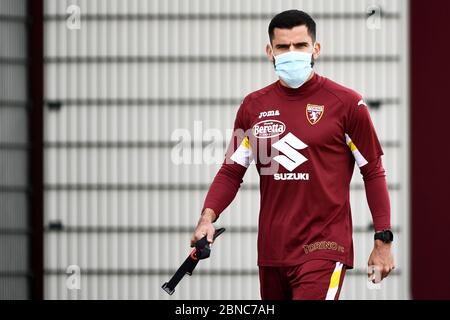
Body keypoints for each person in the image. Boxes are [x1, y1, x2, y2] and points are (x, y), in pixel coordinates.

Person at [190, 9, 395, 300]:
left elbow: (373, 171)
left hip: (324, 248)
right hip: (272, 253)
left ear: (316, 49)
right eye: (283, 47)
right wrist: (207, 218)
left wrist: (383, 239)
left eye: (300, 45)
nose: (292, 52)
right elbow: (231, 171)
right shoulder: (253, 107)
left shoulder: (348, 104)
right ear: (269, 51)